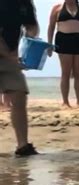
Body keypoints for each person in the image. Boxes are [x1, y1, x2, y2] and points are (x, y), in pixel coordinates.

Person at [0, 0, 39, 156]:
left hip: (10, 56)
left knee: (19, 94)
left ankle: (23, 146)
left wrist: (31, 35)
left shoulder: (25, 3)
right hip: (8, 54)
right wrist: (8, 54)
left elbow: (32, 26)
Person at [47, 0, 79, 108]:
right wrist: (49, 44)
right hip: (64, 39)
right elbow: (51, 27)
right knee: (65, 72)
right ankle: (65, 101)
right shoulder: (57, 8)